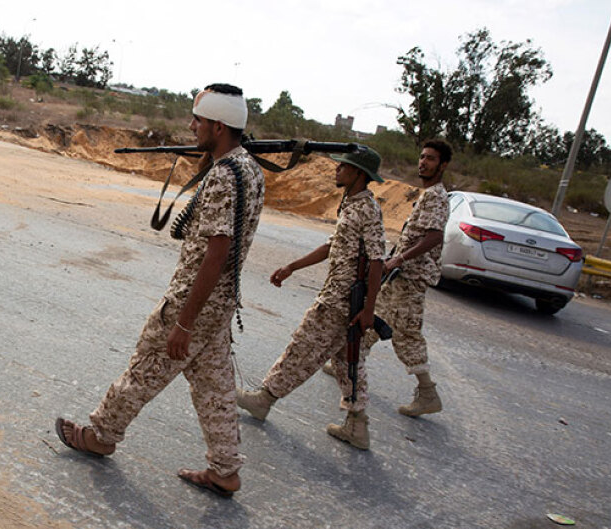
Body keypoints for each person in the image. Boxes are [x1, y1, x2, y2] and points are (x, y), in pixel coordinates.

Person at [54, 84, 265, 498]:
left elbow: (216, 252)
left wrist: (184, 322)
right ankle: (225, 470)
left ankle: (100, 434)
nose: (191, 126)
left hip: (194, 302)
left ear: (219, 126)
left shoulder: (225, 176)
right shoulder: (249, 169)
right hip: (221, 303)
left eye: (198, 120)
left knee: (145, 366)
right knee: (215, 387)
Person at [237, 146, 386, 450]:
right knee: (347, 361)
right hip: (341, 297)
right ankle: (357, 425)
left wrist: (369, 309)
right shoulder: (351, 204)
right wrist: (292, 266)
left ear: (359, 173)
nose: (337, 169)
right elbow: (332, 245)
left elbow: (377, 261)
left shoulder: (367, 210)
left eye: (344, 166)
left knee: (302, 346)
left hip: (340, 301)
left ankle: (264, 399)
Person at [324, 140, 452, 417]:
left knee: (406, 334)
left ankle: (428, 393)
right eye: (422, 157)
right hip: (401, 275)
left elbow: (433, 236)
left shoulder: (437, 197)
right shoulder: (428, 194)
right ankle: (347, 363)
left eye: (430, 159)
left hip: (412, 277)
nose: (423, 163)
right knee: (372, 316)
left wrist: (398, 259)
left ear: (443, 166)